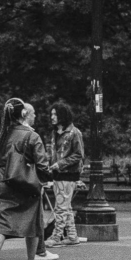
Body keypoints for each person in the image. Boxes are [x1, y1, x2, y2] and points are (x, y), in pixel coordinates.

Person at [0, 99, 54, 260]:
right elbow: (42, 165)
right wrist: (45, 179)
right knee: (32, 225)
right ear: (24, 114)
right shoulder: (32, 136)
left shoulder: (1, 136)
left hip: (3, 184)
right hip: (27, 187)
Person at [45, 102, 85, 247]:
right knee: (65, 206)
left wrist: (60, 164)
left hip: (68, 174)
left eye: (55, 114)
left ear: (63, 115)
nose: (52, 117)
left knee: (61, 207)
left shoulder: (74, 133)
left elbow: (79, 154)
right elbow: (53, 153)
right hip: (58, 173)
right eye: (52, 114)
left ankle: (56, 236)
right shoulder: (55, 132)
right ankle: (72, 235)